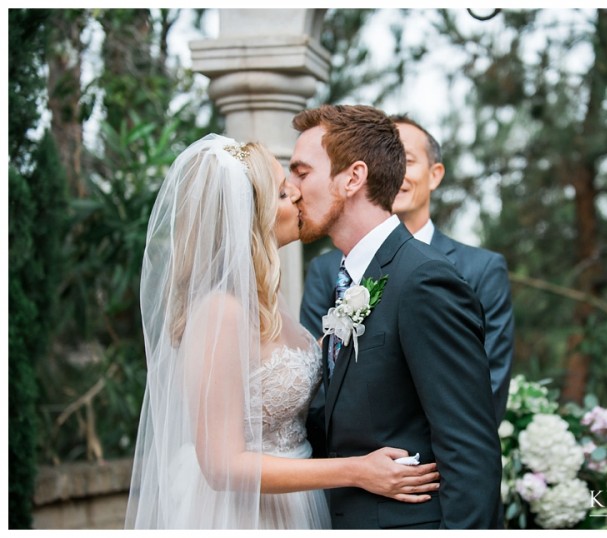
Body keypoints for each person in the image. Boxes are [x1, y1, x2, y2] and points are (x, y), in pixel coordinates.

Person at [125, 134, 439, 529]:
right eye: (281, 193)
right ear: (250, 215)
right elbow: (221, 466)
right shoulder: (221, 311)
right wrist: (357, 470)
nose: (297, 197)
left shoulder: (266, 300)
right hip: (246, 516)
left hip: (299, 504)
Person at [289, 104, 503, 529]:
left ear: (353, 178)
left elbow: (470, 448)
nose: (291, 189)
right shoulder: (351, 278)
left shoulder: (424, 280)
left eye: (301, 172)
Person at [301, 114, 514, 426]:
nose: (396, 171)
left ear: (435, 174)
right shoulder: (328, 269)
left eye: (407, 160)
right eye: (388, 160)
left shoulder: (481, 270)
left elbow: (488, 389)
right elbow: (313, 376)